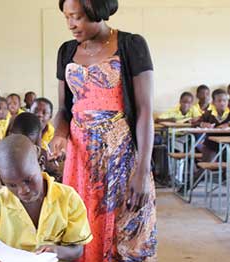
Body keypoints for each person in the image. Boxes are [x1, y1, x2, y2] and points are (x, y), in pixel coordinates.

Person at [51, 0, 157, 260]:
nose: (70, 25)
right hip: (80, 160)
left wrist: (142, 170)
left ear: (95, 10)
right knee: (82, 226)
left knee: (126, 231)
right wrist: (60, 134)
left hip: (120, 156)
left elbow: (144, 111)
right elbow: (64, 109)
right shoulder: (66, 51)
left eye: (76, 17)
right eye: (66, 17)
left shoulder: (131, 45)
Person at [0, 134, 92, 262]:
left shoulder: (68, 198)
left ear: (41, 164)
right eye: (12, 185)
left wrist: (57, 251)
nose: (23, 190)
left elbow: (77, 249)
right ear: (2, 180)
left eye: (28, 180)